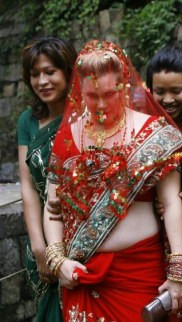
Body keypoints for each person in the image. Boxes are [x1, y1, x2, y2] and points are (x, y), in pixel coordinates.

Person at [43, 40, 182, 321]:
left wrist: (179, 270)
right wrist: (58, 260)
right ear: (79, 92)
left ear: (124, 86)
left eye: (109, 94)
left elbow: (171, 203)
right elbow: (52, 208)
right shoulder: (66, 137)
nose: (100, 105)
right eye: (91, 95)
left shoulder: (152, 133)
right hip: (82, 276)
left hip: (140, 273)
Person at [17, 36, 77, 322]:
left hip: (83, 237)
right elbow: (28, 187)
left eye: (50, 71)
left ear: (67, 71)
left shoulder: (85, 116)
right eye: (35, 74)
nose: (42, 81)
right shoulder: (28, 120)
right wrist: (40, 247)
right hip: (42, 236)